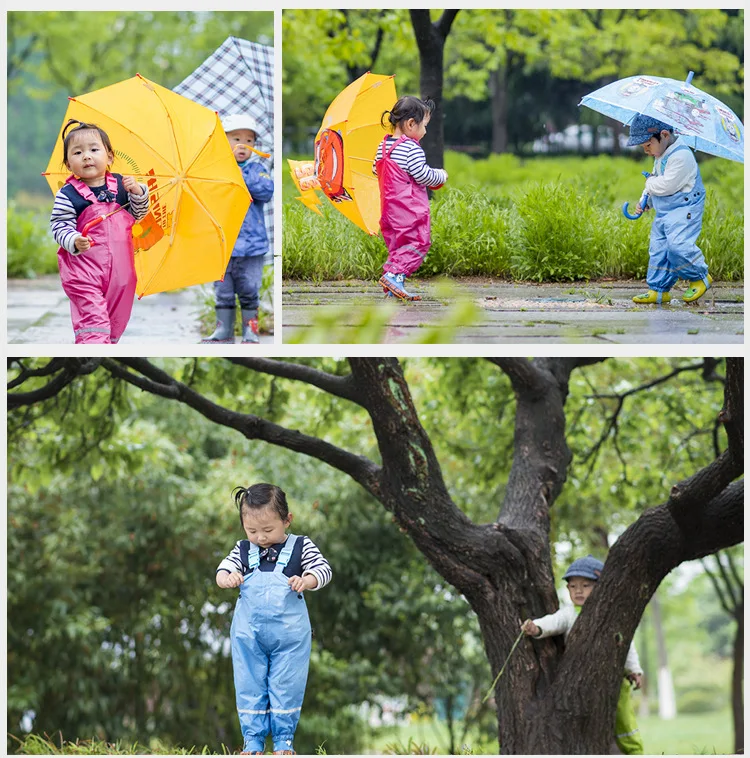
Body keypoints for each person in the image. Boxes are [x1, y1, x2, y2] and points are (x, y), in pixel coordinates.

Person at [216, 483, 332, 755]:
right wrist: (228, 579)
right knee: (249, 683)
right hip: (249, 636)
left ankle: (284, 742)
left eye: (268, 530)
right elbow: (222, 571)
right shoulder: (243, 550)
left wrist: (307, 580)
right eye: (252, 531)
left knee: (287, 684)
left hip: (290, 637)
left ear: (287, 520)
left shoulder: (301, 546)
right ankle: (253, 742)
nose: (261, 537)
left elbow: (323, 569)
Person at [520, 555, 644, 755]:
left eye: (586, 585)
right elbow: (553, 622)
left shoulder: (612, 615)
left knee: (623, 717)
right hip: (582, 680)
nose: (578, 591)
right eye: (573, 586)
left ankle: (633, 750)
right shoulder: (569, 613)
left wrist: (634, 670)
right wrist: (536, 627)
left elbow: (627, 645)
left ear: (601, 587)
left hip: (613, 679)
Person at [49, 119, 150, 343]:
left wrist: (138, 193)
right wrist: (74, 239)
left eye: (94, 149)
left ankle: (104, 350)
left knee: (114, 325)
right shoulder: (68, 194)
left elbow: (138, 214)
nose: (86, 156)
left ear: (110, 157)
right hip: (83, 271)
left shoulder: (123, 185)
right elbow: (58, 225)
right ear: (67, 164)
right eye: (77, 152)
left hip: (121, 273)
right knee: (94, 325)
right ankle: (91, 347)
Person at [203, 114, 274, 344]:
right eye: (236, 139)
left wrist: (240, 176)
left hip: (251, 245)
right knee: (223, 290)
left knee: (249, 289)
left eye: (249, 141)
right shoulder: (216, 171)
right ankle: (223, 330)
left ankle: (250, 330)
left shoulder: (257, 170)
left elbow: (265, 191)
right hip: (222, 244)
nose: (243, 145)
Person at [627, 114, 712, 305]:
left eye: (648, 145)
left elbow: (666, 185)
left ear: (664, 135)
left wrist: (649, 183)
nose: (647, 151)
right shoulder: (661, 154)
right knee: (659, 249)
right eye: (643, 148)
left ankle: (700, 276)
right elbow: (655, 180)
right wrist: (645, 201)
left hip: (684, 210)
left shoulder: (682, 156)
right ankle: (658, 289)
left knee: (677, 246)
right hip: (665, 212)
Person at [373, 96, 447, 301]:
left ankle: (393, 285)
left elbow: (375, 169)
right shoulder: (411, 148)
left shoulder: (383, 147)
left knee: (398, 246)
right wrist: (441, 175)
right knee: (418, 243)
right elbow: (423, 175)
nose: (425, 131)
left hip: (389, 212)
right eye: (424, 125)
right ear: (411, 124)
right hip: (409, 210)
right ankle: (393, 276)